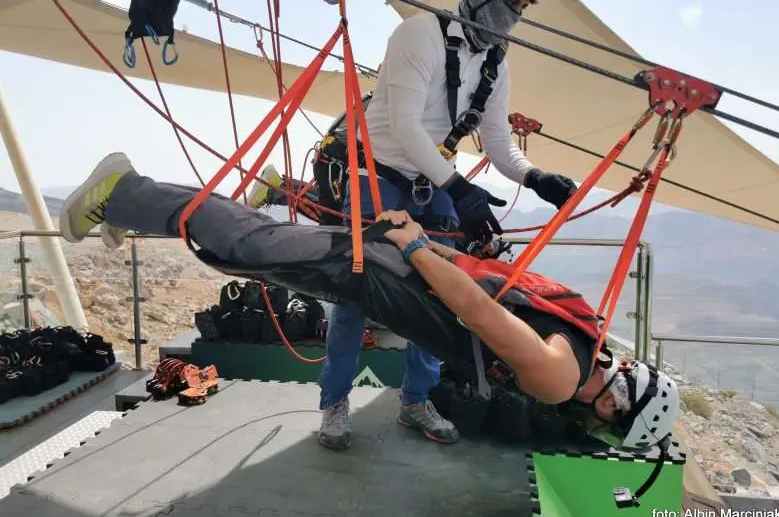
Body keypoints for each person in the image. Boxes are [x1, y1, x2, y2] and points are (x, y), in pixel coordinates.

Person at [59, 152, 680, 462]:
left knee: (255, 250)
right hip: (396, 277)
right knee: (245, 247)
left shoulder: (585, 335)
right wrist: (415, 247)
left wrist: (421, 251)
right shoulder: (558, 379)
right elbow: (480, 315)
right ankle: (124, 189)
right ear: (614, 400)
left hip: (404, 275)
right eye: (606, 424)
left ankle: (131, 207)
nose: (592, 426)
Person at [302, 0, 579, 449]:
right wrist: (460, 191)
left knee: (441, 295)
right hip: (377, 175)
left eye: (520, 9)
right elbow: (406, 129)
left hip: (435, 184)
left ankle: (415, 400)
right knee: (354, 294)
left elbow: (497, 144)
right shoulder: (417, 36)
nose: (511, 18)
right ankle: (335, 403)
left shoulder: (496, 64)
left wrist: (535, 176)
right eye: (507, 2)